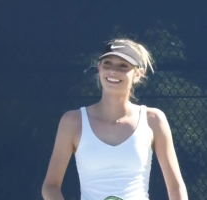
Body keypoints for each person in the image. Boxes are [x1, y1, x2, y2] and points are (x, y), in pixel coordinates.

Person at [41, 39, 188, 200]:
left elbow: (176, 187)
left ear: (138, 73)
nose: (113, 71)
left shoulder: (153, 120)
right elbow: (51, 186)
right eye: (107, 63)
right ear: (99, 68)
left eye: (123, 66)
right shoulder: (72, 121)